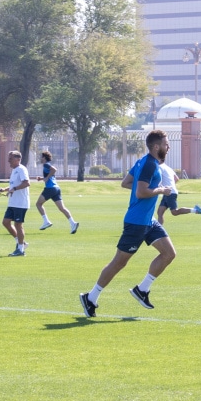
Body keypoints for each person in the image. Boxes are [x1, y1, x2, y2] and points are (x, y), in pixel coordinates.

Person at [79, 130, 176, 318]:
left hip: (148, 221)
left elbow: (126, 183)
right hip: (137, 222)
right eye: (166, 144)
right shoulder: (148, 164)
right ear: (156, 147)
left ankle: (142, 289)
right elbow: (140, 192)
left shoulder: (143, 162)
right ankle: (90, 298)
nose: (168, 146)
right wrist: (160, 190)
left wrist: (148, 188)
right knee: (119, 263)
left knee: (169, 253)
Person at [36, 150, 79, 234]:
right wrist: (42, 178)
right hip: (56, 188)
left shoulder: (46, 164)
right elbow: (51, 174)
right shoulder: (47, 166)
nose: (40, 159)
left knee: (38, 204)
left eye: (41, 157)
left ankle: (46, 221)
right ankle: (73, 223)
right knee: (62, 208)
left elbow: (54, 170)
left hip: (50, 188)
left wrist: (46, 178)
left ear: (44, 158)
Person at [0, 150, 31, 256]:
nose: (8, 161)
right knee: (6, 222)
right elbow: (13, 186)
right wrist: (4, 189)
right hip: (13, 202)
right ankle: (21, 242)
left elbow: (26, 183)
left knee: (18, 225)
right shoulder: (14, 170)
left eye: (11, 158)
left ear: (18, 159)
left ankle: (21, 250)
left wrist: (14, 189)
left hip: (20, 203)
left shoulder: (21, 169)